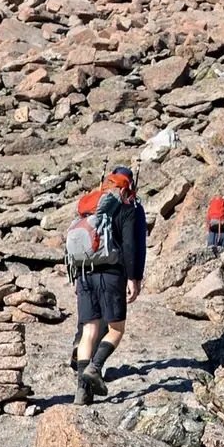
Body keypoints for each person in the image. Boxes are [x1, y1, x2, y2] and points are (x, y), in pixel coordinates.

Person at [66, 166, 147, 406]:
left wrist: (74, 276)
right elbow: (133, 246)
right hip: (111, 275)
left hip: (83, 273)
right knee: (116, 329)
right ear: (127, 186)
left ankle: (82, 393)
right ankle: (95, 367)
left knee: (88, 331)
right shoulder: (128, 208)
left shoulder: (90, 207)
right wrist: (135, 278)